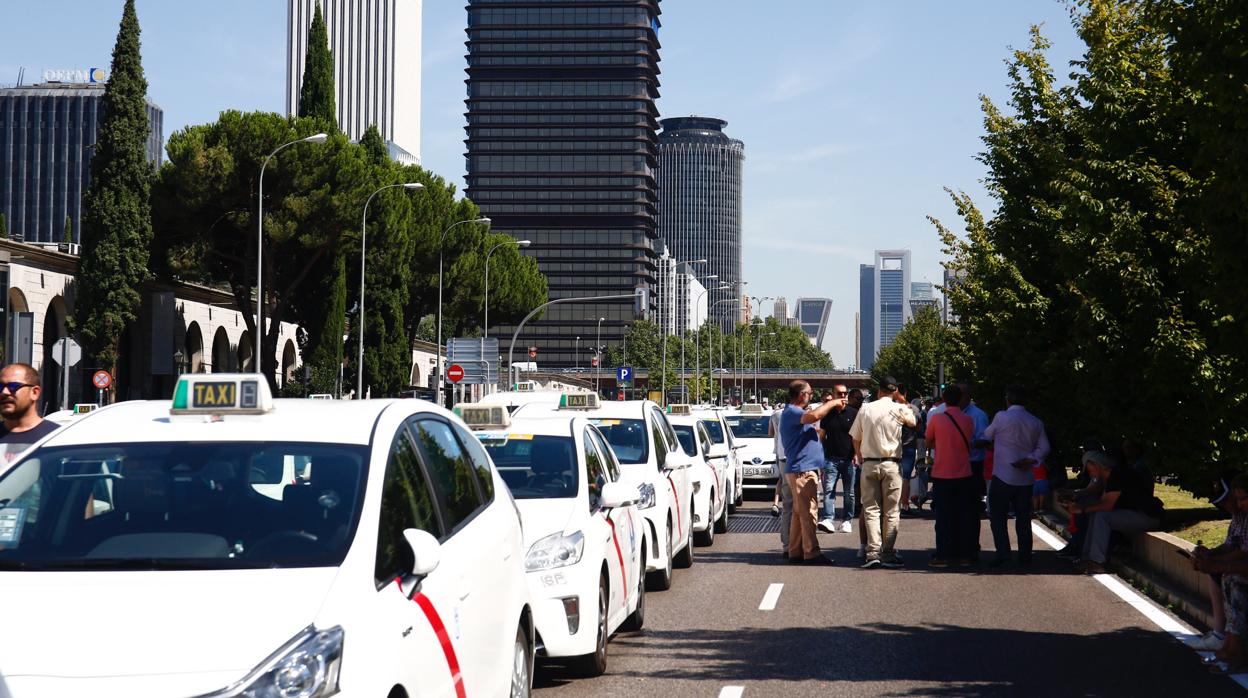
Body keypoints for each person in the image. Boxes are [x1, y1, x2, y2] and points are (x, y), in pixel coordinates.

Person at [849, 375, 917, 569]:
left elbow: (855, 437)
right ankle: (887, 553)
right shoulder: (899, 409)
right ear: (895, 391)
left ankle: (872, 553)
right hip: (892, 464)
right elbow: (913, 423)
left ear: (879, 391)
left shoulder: (866, 408)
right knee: (892, 512)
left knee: (870, 510)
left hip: (869, 463)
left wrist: (859, 455)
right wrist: (902, 402)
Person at [980, 384, 1049, 567]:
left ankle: (1003, 553)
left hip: (1003, 474)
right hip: (1025, 477)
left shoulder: (1002, 417)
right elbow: (1045, 448)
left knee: (998, 516)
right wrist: (1030, 459)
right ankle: (1025, 554)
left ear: (1007, 399)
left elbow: (986, 436)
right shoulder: (1035, 421)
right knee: (1024, 518)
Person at [1067, 450, 1161, 574]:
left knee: (1101, 516)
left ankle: (1097, 562)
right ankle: (1087, 558)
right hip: (1136, 515)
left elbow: (1107, 505)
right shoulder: (1110, 476)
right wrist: (1079, 505)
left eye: (1089, 469)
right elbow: (1101, 502)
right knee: (1096, 514)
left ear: (1096, 465)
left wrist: (1082, 509)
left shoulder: (1117, 475)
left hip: (1147, 516)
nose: (1089, 474)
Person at [779, 381, 840, 564]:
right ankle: (811, 553)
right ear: (801, 395)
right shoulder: (794, 412)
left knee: (799, 513)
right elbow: (814, 416)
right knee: (809, 512)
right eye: (810, 393)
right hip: (801, 471)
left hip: (801, 469)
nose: (811, 396)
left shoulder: (794, 413)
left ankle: (795, 551)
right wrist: (833, 402)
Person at [1192, 474, 1248, 672]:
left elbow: (1242, 552)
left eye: (1243, 499)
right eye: (1238, 499)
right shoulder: (1240, 517)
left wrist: (1218, 564)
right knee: (1228, 579)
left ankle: (1235, 651)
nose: (1239, 505)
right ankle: (1228, 644)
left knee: (1234, 581)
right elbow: (1230, 545)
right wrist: (1209, 555)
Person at [924, 384, 979, 567]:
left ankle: (943, 555)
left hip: (942, 473)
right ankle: (964, 554)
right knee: (964, 515)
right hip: (964, 472)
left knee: (943, 517)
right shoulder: (968, 419)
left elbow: (928, 441)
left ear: (945, 399)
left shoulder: (937, 419)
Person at [817, 383, 858, 534]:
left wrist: (856, 454)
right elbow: (822, 435)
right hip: (831, 458)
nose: (843, 396)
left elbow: (857, 436)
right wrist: (823, 453)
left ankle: (847, 520)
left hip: (848, 459)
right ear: (833, 395)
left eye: (845, 393)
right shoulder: (827, 414)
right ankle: (828, 519)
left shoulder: (853, 413)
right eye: (839, 394)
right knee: (829, 490)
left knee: (849, 493)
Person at [0, 363, 59, 463]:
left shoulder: (57, 437)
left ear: (34, 393)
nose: (4, 392)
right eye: (0, 387)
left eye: (13, 386)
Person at [957, 383, 990, 514]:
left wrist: (969, 444)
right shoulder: (951, 412)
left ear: (967, 397)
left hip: (973, 463)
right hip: (957, 463)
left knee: (971, 501)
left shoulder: (978, 415)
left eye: (959, 395)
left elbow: (985, 439)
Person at [768, 402, 792, 555]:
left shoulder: (775, 414)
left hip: (779, 453)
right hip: (792, 457)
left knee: (782, 481)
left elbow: (770, 433)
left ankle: (776, 503)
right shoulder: (798, 414)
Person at [897, 384, 922, 517]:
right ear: (906, 393)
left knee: (893, 476)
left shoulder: (890, 409)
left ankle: (892, 505)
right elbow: (919, 428)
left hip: (893, 446)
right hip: (909, 446)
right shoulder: (914, 409)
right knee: (906, 477)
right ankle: (905, 505)